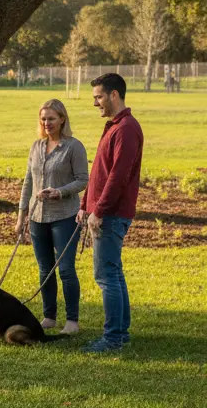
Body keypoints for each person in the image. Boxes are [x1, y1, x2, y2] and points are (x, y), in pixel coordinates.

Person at [78, 72, 143, 352]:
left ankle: (113, 338)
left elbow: (118, 176)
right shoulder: (114, 126)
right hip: (104, 212)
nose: (96, 103)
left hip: (112, 214)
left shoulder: (126, 128)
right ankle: (121, 334)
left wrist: (99, 211)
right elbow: (99, 173)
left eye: (99, 97)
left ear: (114, 95)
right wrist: (84, 206)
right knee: (114, 274)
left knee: (106, 276)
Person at [15, 99, 88, 336]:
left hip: (64, 216)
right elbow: (28, 182)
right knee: (45, 269)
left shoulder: (73, 147)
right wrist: (21, 216)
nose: (47, 123)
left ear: (62, 119)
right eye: (44, 119)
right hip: (37, 217)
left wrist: (59, 192)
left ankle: (72, 321)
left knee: (65, 269)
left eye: (52, 118)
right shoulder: (36, 146)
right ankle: (49, 316)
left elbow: (83, 180)